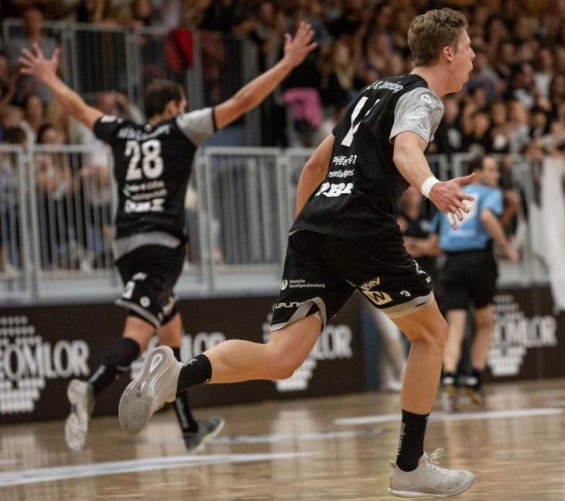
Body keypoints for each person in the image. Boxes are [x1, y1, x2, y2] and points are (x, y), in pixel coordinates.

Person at [118, 8, 477, 498]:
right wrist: (433, 187)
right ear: (448, 52)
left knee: (281, 358)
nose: (474, 56)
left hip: (314, 223)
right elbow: (405, 152)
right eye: (469, 47)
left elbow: (313, 165)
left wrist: (303, 234)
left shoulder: (370, 93)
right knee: (432, 334)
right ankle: (409, 466)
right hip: (361, 226)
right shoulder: (423, 98)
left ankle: (179, 374)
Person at [19, 22, 317, 452]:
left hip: (126, 245)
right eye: (183, 105)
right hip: (160, 246)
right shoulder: (182, 128)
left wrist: (49, 78)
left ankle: (189, 427)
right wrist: (287, 63)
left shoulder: (122, 131)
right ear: (175, 106)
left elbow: (79, 109)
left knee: (171, 334)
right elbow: (242, 101)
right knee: (139, 332)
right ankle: (90, 390)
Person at [434, 155, 518, 411]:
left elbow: (440, 234)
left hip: (452, 262)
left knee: (455, 325)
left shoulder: (452, 194)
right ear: (476, 172)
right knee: (484, 322)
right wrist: (506, 247)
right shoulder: (490, 194)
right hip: (479, 260)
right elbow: (487, 219)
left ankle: (449, 378)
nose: (496, 175)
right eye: (491, 170)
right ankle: (474, 379)